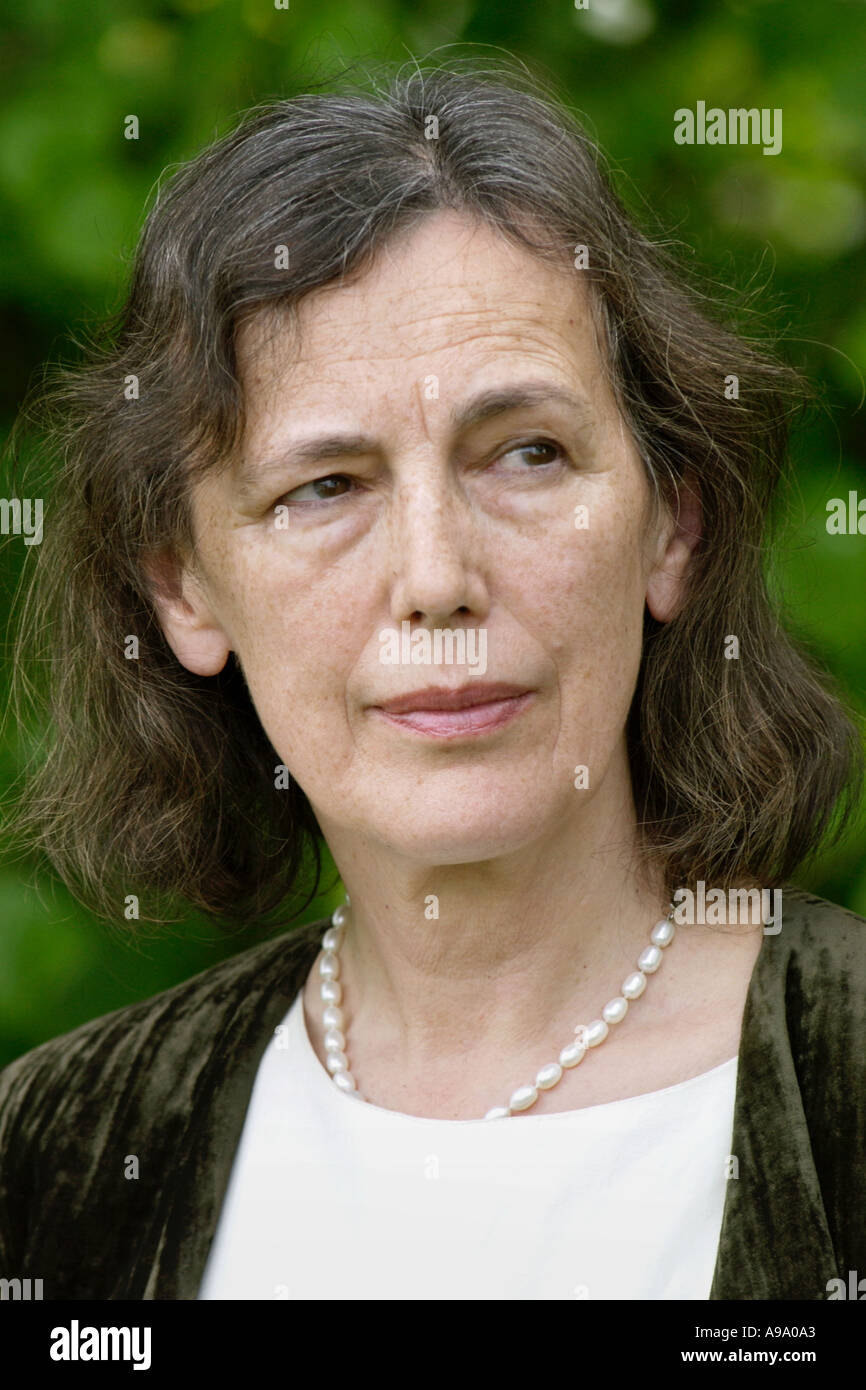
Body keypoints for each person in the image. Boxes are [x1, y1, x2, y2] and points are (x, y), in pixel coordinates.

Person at [0, 57, 864, 1302]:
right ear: (184, 590)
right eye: (325, 487)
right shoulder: (56, 1159)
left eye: (524, 452)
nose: (435, 575)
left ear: (669, 527)